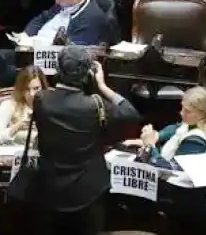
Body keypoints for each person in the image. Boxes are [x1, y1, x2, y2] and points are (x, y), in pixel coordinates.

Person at [33, 46, 139, 235]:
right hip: (89, 191)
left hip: (50, 189)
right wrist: (103, 86)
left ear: (58, 69)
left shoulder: (41, 100)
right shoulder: (95, 105)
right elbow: (130, 114)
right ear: (88, 73)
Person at [124, 86, 206, 168]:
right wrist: (151, 137)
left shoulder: (196, 142)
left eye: (187, 111)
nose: (181, 113)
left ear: (203, 114)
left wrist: (150, 145)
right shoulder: (190, 124)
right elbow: (174, 129)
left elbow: (169, 169)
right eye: (182, 108)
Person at [23, 0, 113, 46]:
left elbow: (72, 53)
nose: (56, 2)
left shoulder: (92, 19)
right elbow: (43, 18)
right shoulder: (65, 3)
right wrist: (25, 36)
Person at [0, 66, 47, 146]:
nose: (32, 94)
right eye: (27, 89)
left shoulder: (51, 107)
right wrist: (16, 128)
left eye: (36, 88)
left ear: (43, 87)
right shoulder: (9, 105)